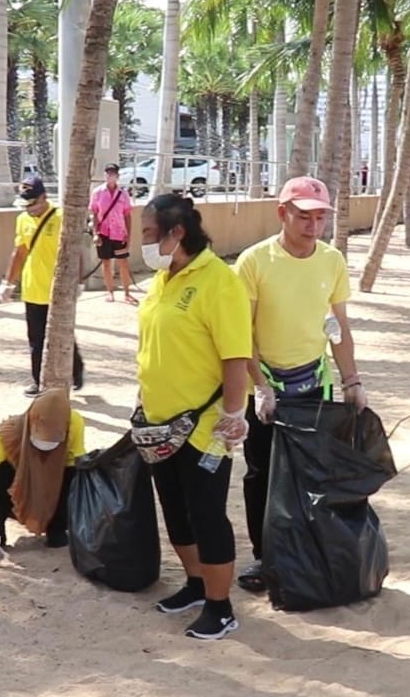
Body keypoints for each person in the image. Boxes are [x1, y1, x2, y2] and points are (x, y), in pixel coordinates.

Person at [233, 176, 366, 593]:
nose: (312, 226)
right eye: (303, 216)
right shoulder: (254, 262)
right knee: (263, 474)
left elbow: (338, 326)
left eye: (320, 217)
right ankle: (264, 555)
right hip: (270, 385)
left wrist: (352, 380)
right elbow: (243, 332)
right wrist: (260, 387)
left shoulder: (332, 261)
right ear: (282, 214)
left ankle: (308, 549)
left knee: (313, 474)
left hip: (315, 386)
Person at [136, 193, 252, 640]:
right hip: (159, 424)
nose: (143, 242)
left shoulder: (218, 281)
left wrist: (235, 414)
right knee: (176, 512)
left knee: (207, 515)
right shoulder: (163, 279)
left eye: (148, 234)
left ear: (176, 232)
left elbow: (235, 356)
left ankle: (221, 608)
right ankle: (197, 585)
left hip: (205, 426)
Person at [0, 389, 88, 565]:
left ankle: (56, 529)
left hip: (53, 478)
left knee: (71, 479)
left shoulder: (75, 423)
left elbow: (73, 469)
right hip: (14, 484)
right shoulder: (8, 437)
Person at [0, 175, 84, 396]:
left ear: (44, 197)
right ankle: (38, 381)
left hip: (58, 290)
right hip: (33, 288)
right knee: (36, 339)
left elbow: (76, 251)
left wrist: (79, 281)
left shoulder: (61, 217)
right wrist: (8, 282)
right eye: (25, 204)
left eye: (33, 203)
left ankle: (76, 370)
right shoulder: (23, 220)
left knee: (62, 334)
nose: (30, 209)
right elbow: (20, 252)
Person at [91, 163, 137, 305]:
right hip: (104, 232)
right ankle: (110, 291)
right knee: (106, 263)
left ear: (117, 176)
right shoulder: (97, 192)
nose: (110, 176)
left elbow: (127, 215)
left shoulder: (123, 194)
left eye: (112, 173)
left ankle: (127, 293)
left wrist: (128, 235)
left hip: (119, 233)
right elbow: (94, 213)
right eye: (107, 173)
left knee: (123, 263)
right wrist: (95, 233)